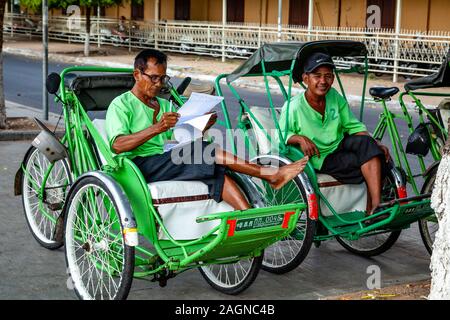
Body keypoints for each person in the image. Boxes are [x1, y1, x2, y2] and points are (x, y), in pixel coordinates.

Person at [105, 49, 308, 211]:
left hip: (165, 159)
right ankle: (271, 175)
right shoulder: (121, 104)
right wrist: (157, 128)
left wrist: (201, 126)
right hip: (138, 166)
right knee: (206, 151)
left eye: (163, 79)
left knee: (217, 170)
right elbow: (117, 145)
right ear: (137, 75)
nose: (158, 84)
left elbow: (180, 141)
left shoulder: (164, 105)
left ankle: (248, 217)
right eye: (153, 78)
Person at [279, 52, 391, 220]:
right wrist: (300, 138)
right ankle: (372, 206)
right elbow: (281, 135)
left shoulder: (334, 97)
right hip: (321, 156)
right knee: (371, 160)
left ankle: (375, 205)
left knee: (371, 147)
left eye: (328, 76)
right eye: (317, 76)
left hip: (339, 144)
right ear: (306, 78)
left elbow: (352, 125)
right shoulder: (294, 107)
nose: (323, 81)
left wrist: (374, 143)